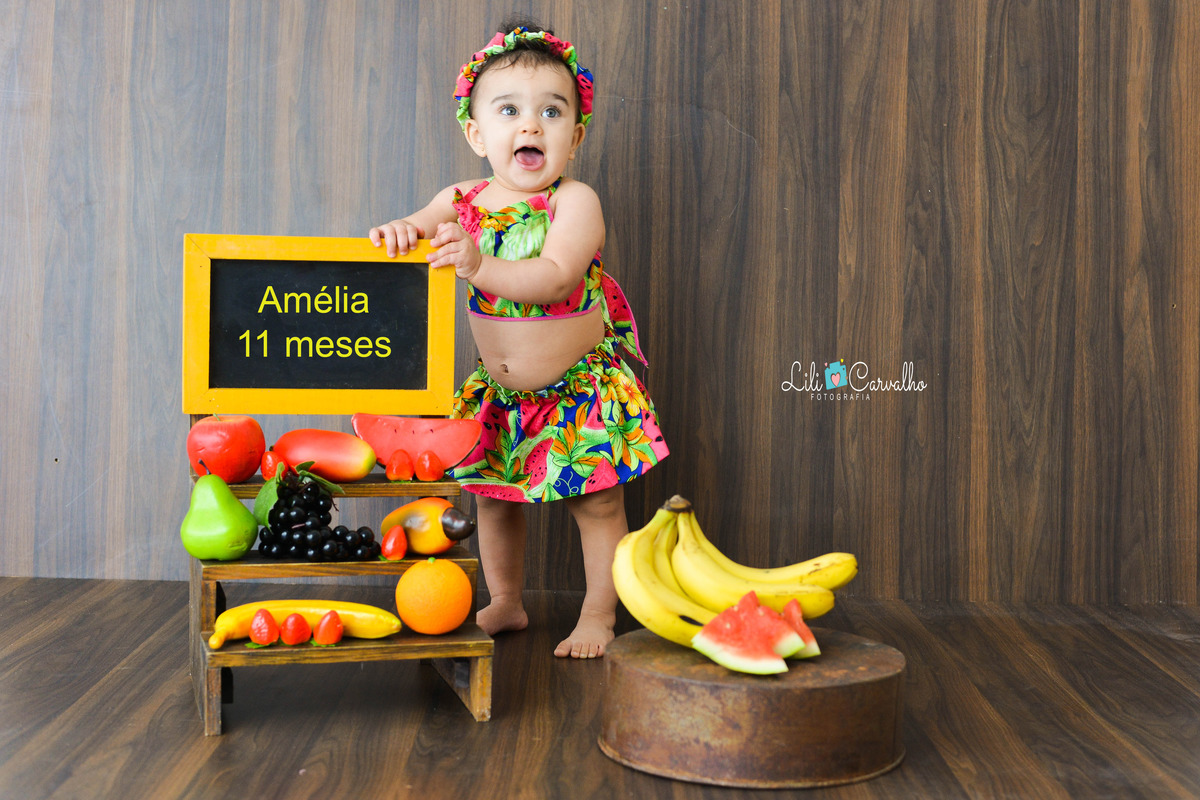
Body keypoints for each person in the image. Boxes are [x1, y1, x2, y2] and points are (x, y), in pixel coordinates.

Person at [369, 20, 668, 658]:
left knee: (597, 507)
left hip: (578, 391)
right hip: (498, 394)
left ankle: (597, 614)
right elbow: (420, 226)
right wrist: (401, 231)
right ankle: (505, 598)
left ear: (575, 136)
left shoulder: (575, 202)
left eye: (550, 113)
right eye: (509, 110)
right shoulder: (463, 198)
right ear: (478, 134)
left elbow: (556, 278)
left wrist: (479, 266)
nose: (529, 126)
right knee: (494, 502)